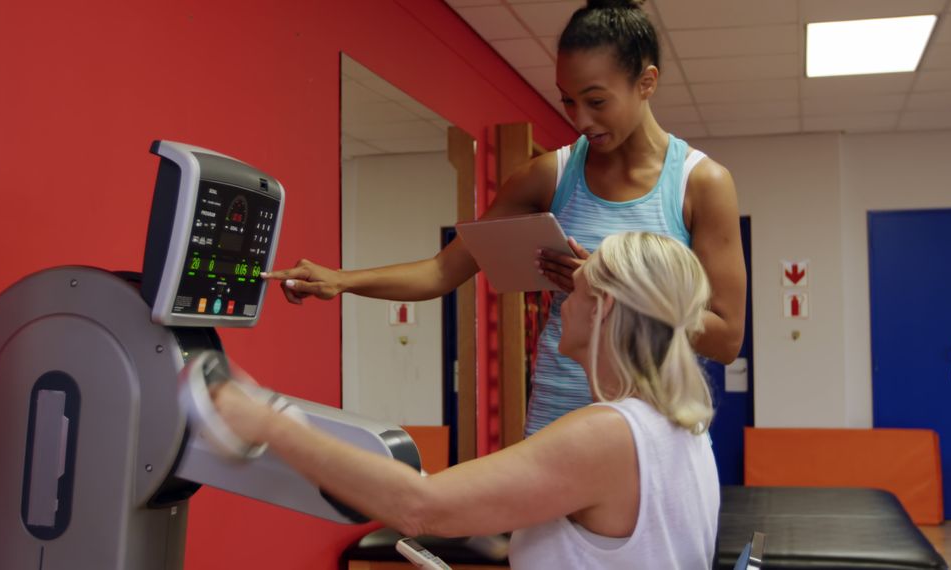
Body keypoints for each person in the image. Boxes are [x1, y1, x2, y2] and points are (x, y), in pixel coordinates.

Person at [269, 0, 746, 435]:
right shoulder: (548, 176)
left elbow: (725, 339)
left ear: (646, 83)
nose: (580, 119)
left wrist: (609, 288)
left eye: (596, 101)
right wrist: (340, 280)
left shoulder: (701, 184)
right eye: (567, 99)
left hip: (653, 421)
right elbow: (442, 270)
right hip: (558, 417)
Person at [214, 232, 720, 569]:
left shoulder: (608, 432)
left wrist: (269, 422)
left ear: (603, 308)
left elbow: (418, 506)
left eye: (576, 292)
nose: (562, 307)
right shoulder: (678, 425)